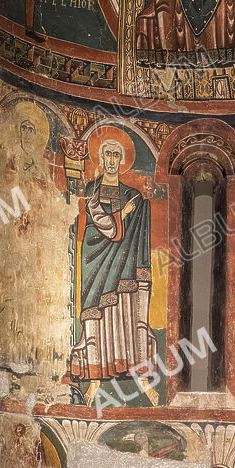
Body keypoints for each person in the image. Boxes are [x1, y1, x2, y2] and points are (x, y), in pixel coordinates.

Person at [69, 139, 157, 407]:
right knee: (97, 317)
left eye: (115, 154)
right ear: (101, 157)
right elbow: (98, 222)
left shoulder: (132, 195)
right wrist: (123, 213)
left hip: (125, 267)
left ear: (121, 160)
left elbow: (138, 226)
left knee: (125, 315)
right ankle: (94, 377)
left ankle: (140, 376)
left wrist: (134, 209)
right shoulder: (92, 190)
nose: (110, 159)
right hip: (96, 261)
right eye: (106, 153)